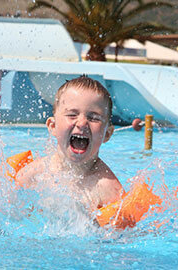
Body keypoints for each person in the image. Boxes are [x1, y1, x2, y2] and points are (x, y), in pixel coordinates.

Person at [16, 76, 124, 212]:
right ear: (52, 126)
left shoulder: (109, 190)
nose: (82, 123)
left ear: (107, 134)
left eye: (93, 118)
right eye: (72, 115)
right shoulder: (32, 175)